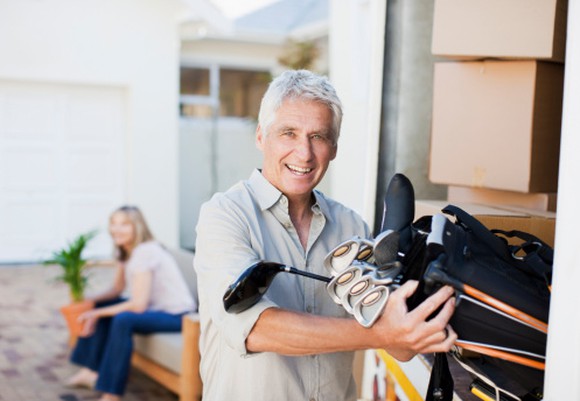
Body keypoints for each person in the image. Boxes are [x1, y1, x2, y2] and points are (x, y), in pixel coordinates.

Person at [193, 69, 457, 401]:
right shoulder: (225, 215)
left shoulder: (352, 227)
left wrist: (411, 306)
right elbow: (254, 328)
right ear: (261, 136)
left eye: (318, 136)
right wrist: (381, 331)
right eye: (288, 133)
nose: (304, 153)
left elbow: (400, 349)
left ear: (333, 148)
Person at [65, 205, 195, 401]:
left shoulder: (146, 251)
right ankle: (90, 371)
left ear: (138, 227)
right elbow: (117, 289)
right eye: (114, 224)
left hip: (177, 315)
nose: (117, 229)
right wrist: (90, 301)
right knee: (102, 307)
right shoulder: (125, 250)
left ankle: (111, 393)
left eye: (124, 224)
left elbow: (138, 305)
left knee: (122, 319)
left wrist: (96, 314)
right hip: (155, 308)